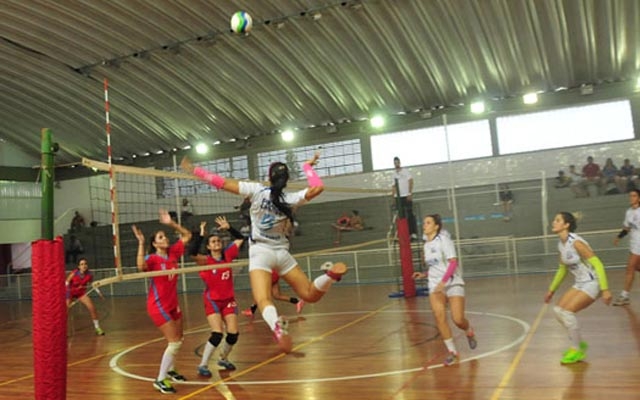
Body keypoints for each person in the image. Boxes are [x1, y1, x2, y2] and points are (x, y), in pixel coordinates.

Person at [181, 151, 347, 353]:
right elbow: (318, 187)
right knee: (310, 295)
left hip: (261, 252)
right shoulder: (291, 199)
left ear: (269, 177)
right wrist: (307, 167)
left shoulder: (257, 190)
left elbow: (221, 182)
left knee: (263, 299)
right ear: (286, 181)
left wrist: (194, 170)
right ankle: (328, 276)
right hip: (282, 253)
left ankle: (276, 326)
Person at [132, 209, 192, 394]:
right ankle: (160, 379)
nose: (165, 238)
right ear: (154, 243)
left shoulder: (173, 253)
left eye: (165, 236)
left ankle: (172, 370)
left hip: (173, 304)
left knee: (179, 339)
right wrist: (141, 243)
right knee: (174, 342)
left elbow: (188, 235)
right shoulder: (152, 258)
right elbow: (140, 266)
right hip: (158, 306)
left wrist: (171, 223)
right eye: (161, 237)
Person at [544, 211, 611, 364]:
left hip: (593, 282)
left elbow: (598, 264)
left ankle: (577, 351)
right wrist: (551, 290)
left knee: (567, 313)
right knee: (558, 311)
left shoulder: (576, 243)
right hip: (580, 283)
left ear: (566, 225)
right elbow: (562, 269)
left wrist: (605, 289)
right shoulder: (561, 245)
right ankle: (578, 343)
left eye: (557, 220)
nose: (553, 222)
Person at [412, 214, 477, 366]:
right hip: (435, 285)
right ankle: (452, 352)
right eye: (424, 222)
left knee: (458, 319)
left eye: (428, 223)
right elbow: (435, 267)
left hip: (452, 282)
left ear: (436, 226)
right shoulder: (426, 245)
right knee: (439, 317)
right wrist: (424, 274)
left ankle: (468, 330)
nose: (424, 225)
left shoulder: (444, 241)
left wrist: (444, 281)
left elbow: (453, 263)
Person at [189, 217, 244, 377]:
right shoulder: (206, 261)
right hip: (212, 300)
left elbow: (240, 239)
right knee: (217, 334)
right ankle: (203, 364)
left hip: (228, 300)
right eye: (212, 241)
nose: (216, 242)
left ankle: (223, 358)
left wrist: (229, 227)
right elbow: (192, 253)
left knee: (233, 334)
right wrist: (200, 235)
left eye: (218, 240)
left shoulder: (228, 255)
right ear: (208, 246)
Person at [611, 189, 640, 306]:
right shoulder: (629, 212)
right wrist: (619, 237)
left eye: (634, 196)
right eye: (630, 196)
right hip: (634, 244)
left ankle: (624, 296)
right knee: (636, 266)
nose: (631, 198)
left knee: (630, 268)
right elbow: (627, 228)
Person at [66, 258, 105, 336]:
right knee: (66, 311)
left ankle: (97, 328)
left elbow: (92, 284)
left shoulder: (89, 275)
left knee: (92, 307)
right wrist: (66, 294)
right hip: (70, 293)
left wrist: (99, 292)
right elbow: (66, 282)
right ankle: (64, 330)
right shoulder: (74, 273)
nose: (84, 266)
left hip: (81, 293)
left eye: (85, 264)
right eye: (82, 264)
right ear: (79, 266)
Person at [392, 156, 417, 239]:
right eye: (395, 163)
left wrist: (409, 193)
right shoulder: (394, 174)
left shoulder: (405, 171)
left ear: (400, 162)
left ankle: (412, 233)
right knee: (401, 216)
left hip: (406, 195)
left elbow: (411, 181)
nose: (396, 164)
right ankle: (403, 233)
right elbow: (393, 186)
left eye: (397, 162)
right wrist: (394, 198)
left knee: (410, 214)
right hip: (398, 197)